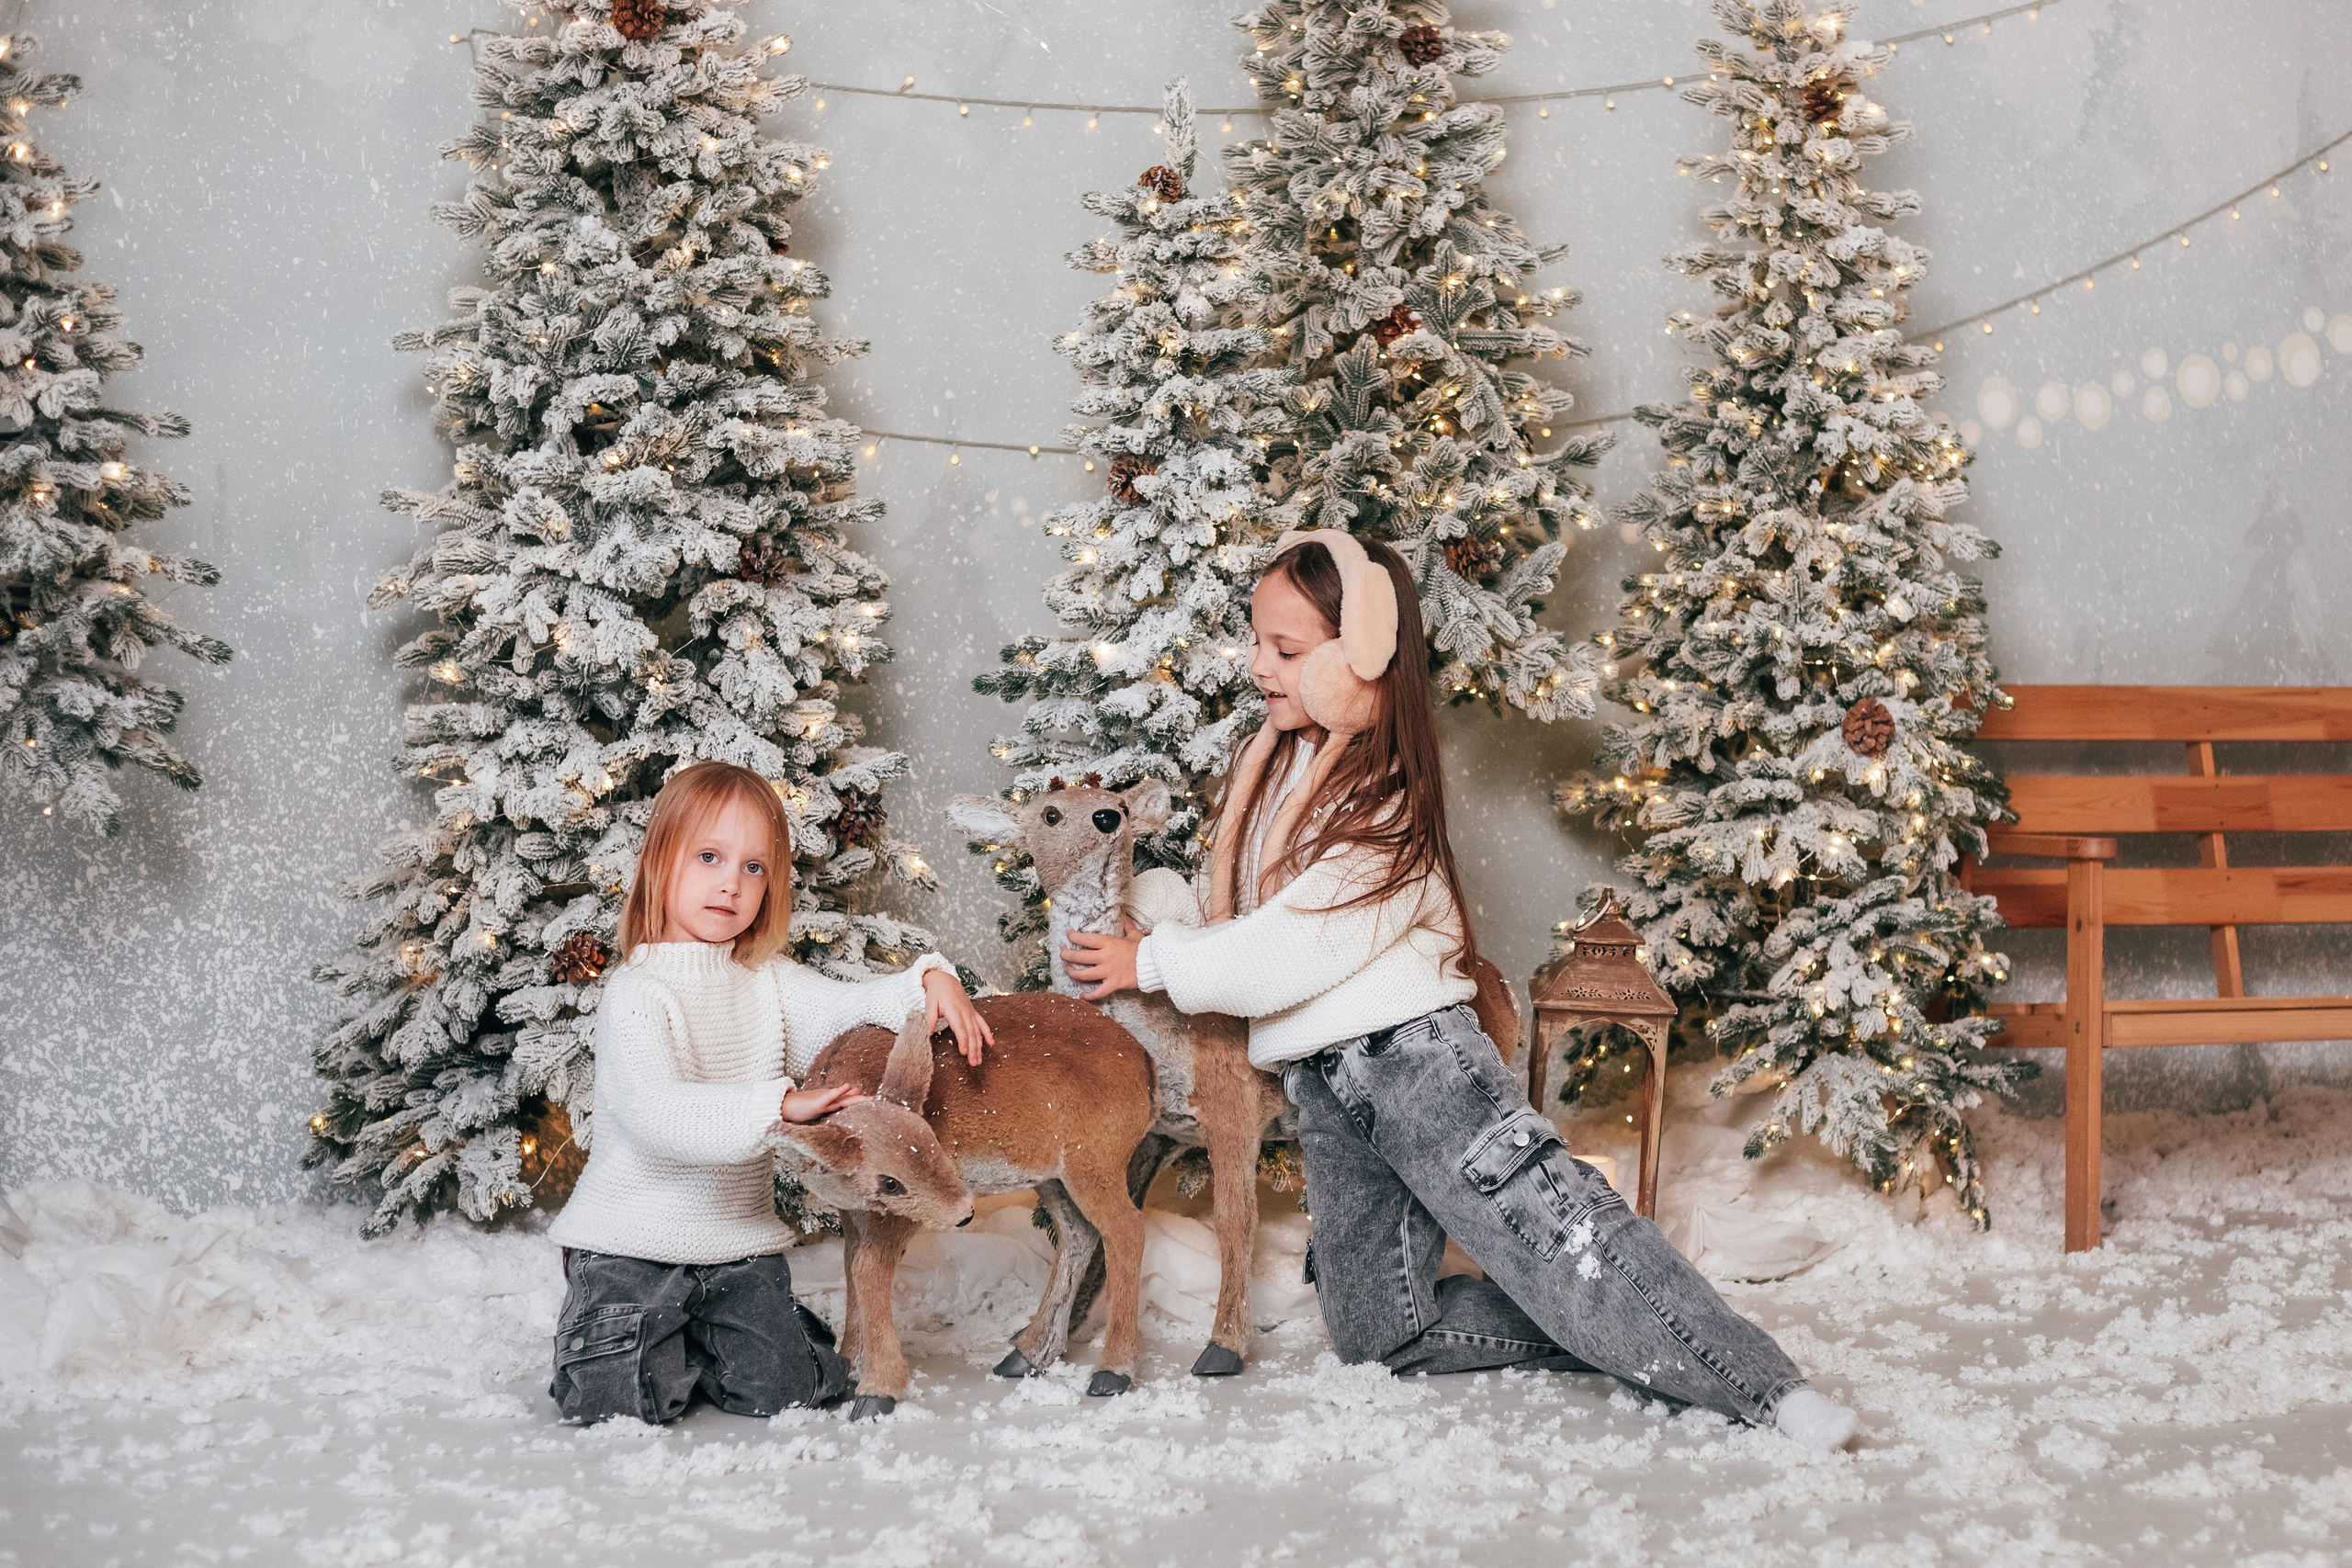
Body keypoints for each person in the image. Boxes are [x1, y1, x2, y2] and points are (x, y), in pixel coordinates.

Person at [1062, 531, 1858, 1451]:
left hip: (1416, 1066)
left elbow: (1285, 949)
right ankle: (1594, 1330)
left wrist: (1154, 962)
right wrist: (1169, 935)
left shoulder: (1383, 803)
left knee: (1566, 1239)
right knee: (1376, 1337)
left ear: (1358, 660)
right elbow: (1242, 916)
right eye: (1256, 641)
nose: (1257, 667)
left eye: (1284, 651)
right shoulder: (1278, 769)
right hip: (1330, 1086)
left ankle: (1763, 1388)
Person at [545, 760, 992, 1425]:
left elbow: (848, 1008)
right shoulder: (636, 992)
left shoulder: (766, 979)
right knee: (618, 1402)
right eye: (709, 856)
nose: (731, 882)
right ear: (659, 864)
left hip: (735, 1249)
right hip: (629, 1249)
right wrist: (777, 1104)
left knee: (793, 1386)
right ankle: (647, 1335)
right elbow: (658, 1113)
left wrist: (926, 981)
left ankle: (701, 1332)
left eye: (754, 867)